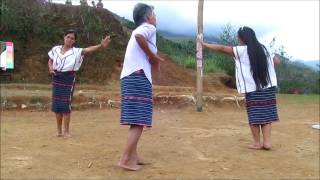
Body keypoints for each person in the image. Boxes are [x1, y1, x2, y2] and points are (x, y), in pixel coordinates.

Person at [200, 26, 280, 150]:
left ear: (242, 38)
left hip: (252, 88)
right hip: (268, 87)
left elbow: (222, 48)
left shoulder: (242, 51)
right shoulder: (264, 48)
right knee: (266, 115)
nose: (238, 40)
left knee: (254, 116)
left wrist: (204, 44)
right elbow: (276, 61)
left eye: (238, 38)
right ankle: (267, 143)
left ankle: (257, 143)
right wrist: (266, 68)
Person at [118, 3, 163, 171]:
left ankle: (133, 156)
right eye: (154, 14)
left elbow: (138, 40)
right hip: (137, 76)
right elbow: (138, 37)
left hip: (132, 75)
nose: (156, 17)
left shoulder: (144, 29)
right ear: (148, 17)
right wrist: (154, 56)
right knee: (139, 120)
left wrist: (152, 59)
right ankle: (125, 159)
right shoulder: (148, 28)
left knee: (137, 119)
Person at [48, 29, 111, 138]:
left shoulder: (76, 51)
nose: (69, 39)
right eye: (68, 37)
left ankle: (66, 131)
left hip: (68, 78)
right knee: (57, 106)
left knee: (66, 105)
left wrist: (100, 46)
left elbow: (88, 49)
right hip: (57, 77)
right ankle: (59, 131)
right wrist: (50, 69)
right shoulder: (55, 49)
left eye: (72, 38)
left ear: (74, 41)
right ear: (64, 37)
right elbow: (50, 60)